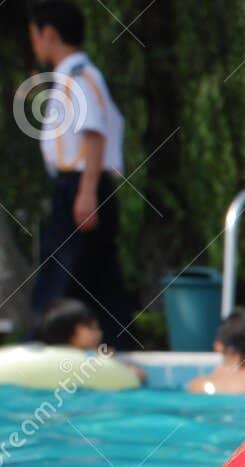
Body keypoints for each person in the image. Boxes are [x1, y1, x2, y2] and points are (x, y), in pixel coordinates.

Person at [26, 1, 132, 349]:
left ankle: (46, 341)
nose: (34, 44)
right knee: (97, 275)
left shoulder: (80, 77)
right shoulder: (71, 78)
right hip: (77, 185)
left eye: (34, 35)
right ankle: (118, 343)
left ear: (49, 33)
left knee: (62, 271)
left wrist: (86, 192)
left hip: (82, 184)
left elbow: (95, 133)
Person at [36, 295, 144, 382]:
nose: (99, 333)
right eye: (93, 328)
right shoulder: (91, 361)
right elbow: (135, 376)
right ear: (76, 331)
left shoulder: (42, 359)